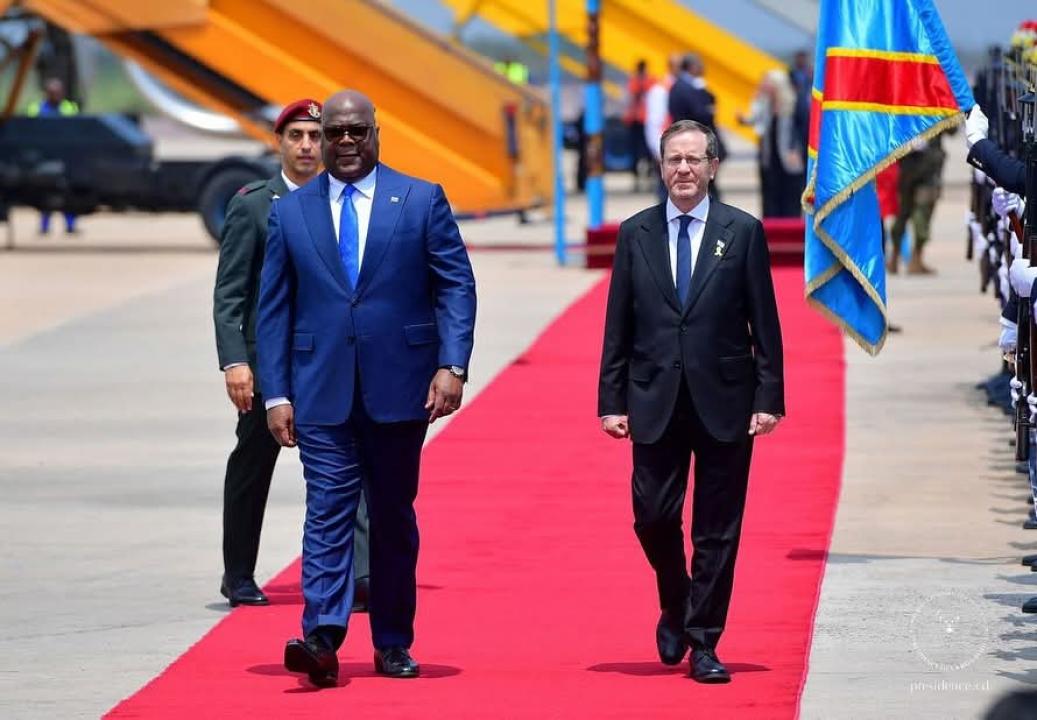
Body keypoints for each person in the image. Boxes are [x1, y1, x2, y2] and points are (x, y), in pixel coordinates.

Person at [257, 89, 477, 687]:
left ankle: (392, 641)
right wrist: (277, 394)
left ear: (376, 132)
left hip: (401, 391)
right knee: (325, 512)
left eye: (357, 131)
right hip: (320, 389)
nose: (346, 142)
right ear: (320, 138)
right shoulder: (291, 211)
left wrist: (451, 366)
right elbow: (272, 309)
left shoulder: (421, 200)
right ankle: (322, 638)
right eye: (335, 133)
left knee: (391, 516)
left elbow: (455, 287)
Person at [597, 119, 784, 683]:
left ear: (713, 167)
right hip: (653, 396)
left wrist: (769, 396)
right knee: (652, 517)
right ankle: (675, 599)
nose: (684, 169)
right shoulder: (636, 234)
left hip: (726, 397)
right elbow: (618, 325)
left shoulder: (742, 231)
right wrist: (611, 398)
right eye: (674, 159)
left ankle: (704, 640)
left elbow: (765, 323)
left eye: (694, 159)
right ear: (661, 166)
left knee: (717, 527)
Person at [213, 99, 371, 609]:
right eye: (296, 136)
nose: (306, 145)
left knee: (354, 465)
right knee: (253, 468)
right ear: (278, 142)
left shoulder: (341, 200)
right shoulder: (256, 204)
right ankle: (238, 572)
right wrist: (235, 360)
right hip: (270, 366)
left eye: (313, 135)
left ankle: (361, 575)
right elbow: (231, 293)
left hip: (329, 363)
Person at [737, 69, 805, 218]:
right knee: (770, 195)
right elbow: (756, 120)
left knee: (789, 196)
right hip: (769, 157)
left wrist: (795, 148)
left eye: (768, 82)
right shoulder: (764, 103)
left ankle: (789, 229)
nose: (764, 85)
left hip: (788, 156)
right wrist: (743, 119)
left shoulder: (792, 102)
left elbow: (801, 128)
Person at [887, 133, 948, 275]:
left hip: (918, 169)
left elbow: (952, 128)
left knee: (910, 213)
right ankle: (907, 259)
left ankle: (907, 259)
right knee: (914, 214)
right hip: (915, 169)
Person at [668, 55, 727, 195]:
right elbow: (700, 112)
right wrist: (708, 107)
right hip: (694, 138)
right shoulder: (686, 87)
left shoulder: (684, 85)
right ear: (692, 67)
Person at [27, 77, 79, 235]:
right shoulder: (36, 109)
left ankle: (70, 226)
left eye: (57, 92)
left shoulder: (70, 108)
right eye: (51, 92)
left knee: (70, 194)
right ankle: (44, 227)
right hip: (44, 157)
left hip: (66, 157)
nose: (54, 94)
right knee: (45, 194)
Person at [644, 54, 681, 202]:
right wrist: (657, 149)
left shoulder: (682, 87)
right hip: (666, 147)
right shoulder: (660, 90)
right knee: (666, 191)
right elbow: (654, 121)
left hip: (682, 146)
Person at [623, 59, 654, 192]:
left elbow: (630, 98)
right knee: (646, 150)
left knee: (637, 150)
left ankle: (638, 178)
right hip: (644, 118)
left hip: (637, 118)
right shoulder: (650, 81)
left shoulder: (634, 81)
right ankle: (646, 176)